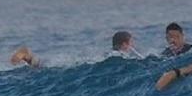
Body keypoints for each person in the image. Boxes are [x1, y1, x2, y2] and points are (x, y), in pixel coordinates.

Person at [10, 30, 140, 67]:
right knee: (47, 66)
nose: (132, 46)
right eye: (131, 43)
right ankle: (26, 55)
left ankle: (27, 56)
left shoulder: (111, 54)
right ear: (124, 44)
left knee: (44, 65)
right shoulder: (118, 56)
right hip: (82, 64)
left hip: (84, 62)